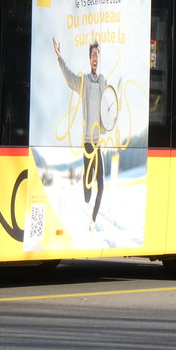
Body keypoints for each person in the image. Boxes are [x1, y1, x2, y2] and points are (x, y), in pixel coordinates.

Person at [52, 37, 106, 225]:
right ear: (89, 59)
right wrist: (60, 57)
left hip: (99, 143)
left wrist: (112, 120)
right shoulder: (83, 81)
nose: (95, 57)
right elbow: (69, 78)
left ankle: (93, 219)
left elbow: (108, 110)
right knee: (88, 188)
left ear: (100, 59)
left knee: (102, 184)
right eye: (92, 54)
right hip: (87, 142)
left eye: (97, 54)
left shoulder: (103, 82)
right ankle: (85, 184)